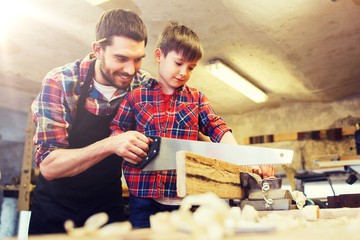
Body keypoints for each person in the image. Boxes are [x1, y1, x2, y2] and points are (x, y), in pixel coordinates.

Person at [110, 21, 275, 228]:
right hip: (143, 198)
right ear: (159, 56)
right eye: (178, 63)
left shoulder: (196, 99)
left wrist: (242, 157)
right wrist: (123, 145)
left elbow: (217, 128)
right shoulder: (136, 96)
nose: (183, 72)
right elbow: (116, 129)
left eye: (191, 67)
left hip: (186, 200)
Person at [29, 9, 152, 234]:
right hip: (54, 210)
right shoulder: (61, 82)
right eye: (121, 58)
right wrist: (111, 144)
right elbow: (49, 166)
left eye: (137, 60)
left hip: (107, 208)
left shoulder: (143, 87)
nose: (130, 70)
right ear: (97, 50)